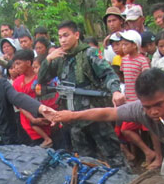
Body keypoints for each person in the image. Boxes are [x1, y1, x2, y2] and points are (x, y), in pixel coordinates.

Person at [38, 20, 127, 168]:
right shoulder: (60, 57)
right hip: (74, 119)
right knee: (85, 161)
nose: (63, 40)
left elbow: (108, 74)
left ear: (76, 35)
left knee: (114, 156)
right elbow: (42, 79)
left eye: (66, 35)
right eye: (60, 37)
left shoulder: (89, 53)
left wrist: (116, 91)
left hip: (95, 115)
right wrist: (48, 59)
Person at [118, 30, 162, 168]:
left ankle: (158, 157)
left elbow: (147, 79)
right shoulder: (124, 60)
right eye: (122, 45)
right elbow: (123, 77)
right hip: (129, 101)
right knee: (126, 130)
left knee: (150, 130)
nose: (123, 47)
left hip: (142, 100)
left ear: (135, 45)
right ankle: (147, 152)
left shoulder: (142, 60)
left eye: (126, 44)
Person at [12, 50, 53, 148]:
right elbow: (19, 105)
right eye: (15, 65)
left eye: (18, 63)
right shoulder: (16, 82)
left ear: (28, 63)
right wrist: (33, 119)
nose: (16, 67)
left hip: (46, 118)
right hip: (28, 123)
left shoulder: (40, 78)